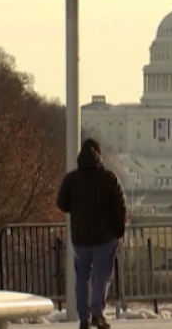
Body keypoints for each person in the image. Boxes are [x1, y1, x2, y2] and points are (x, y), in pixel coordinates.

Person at [57, 138, 127, 329]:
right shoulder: (109, 178)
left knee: (82, 277)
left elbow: (62, 203)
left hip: (80, 236)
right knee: (102, 276)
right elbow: (119, 206)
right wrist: (118, 229)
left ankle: (83, 317)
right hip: (105, 237)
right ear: (99, 155)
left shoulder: (72, 179)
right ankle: (97, 313)